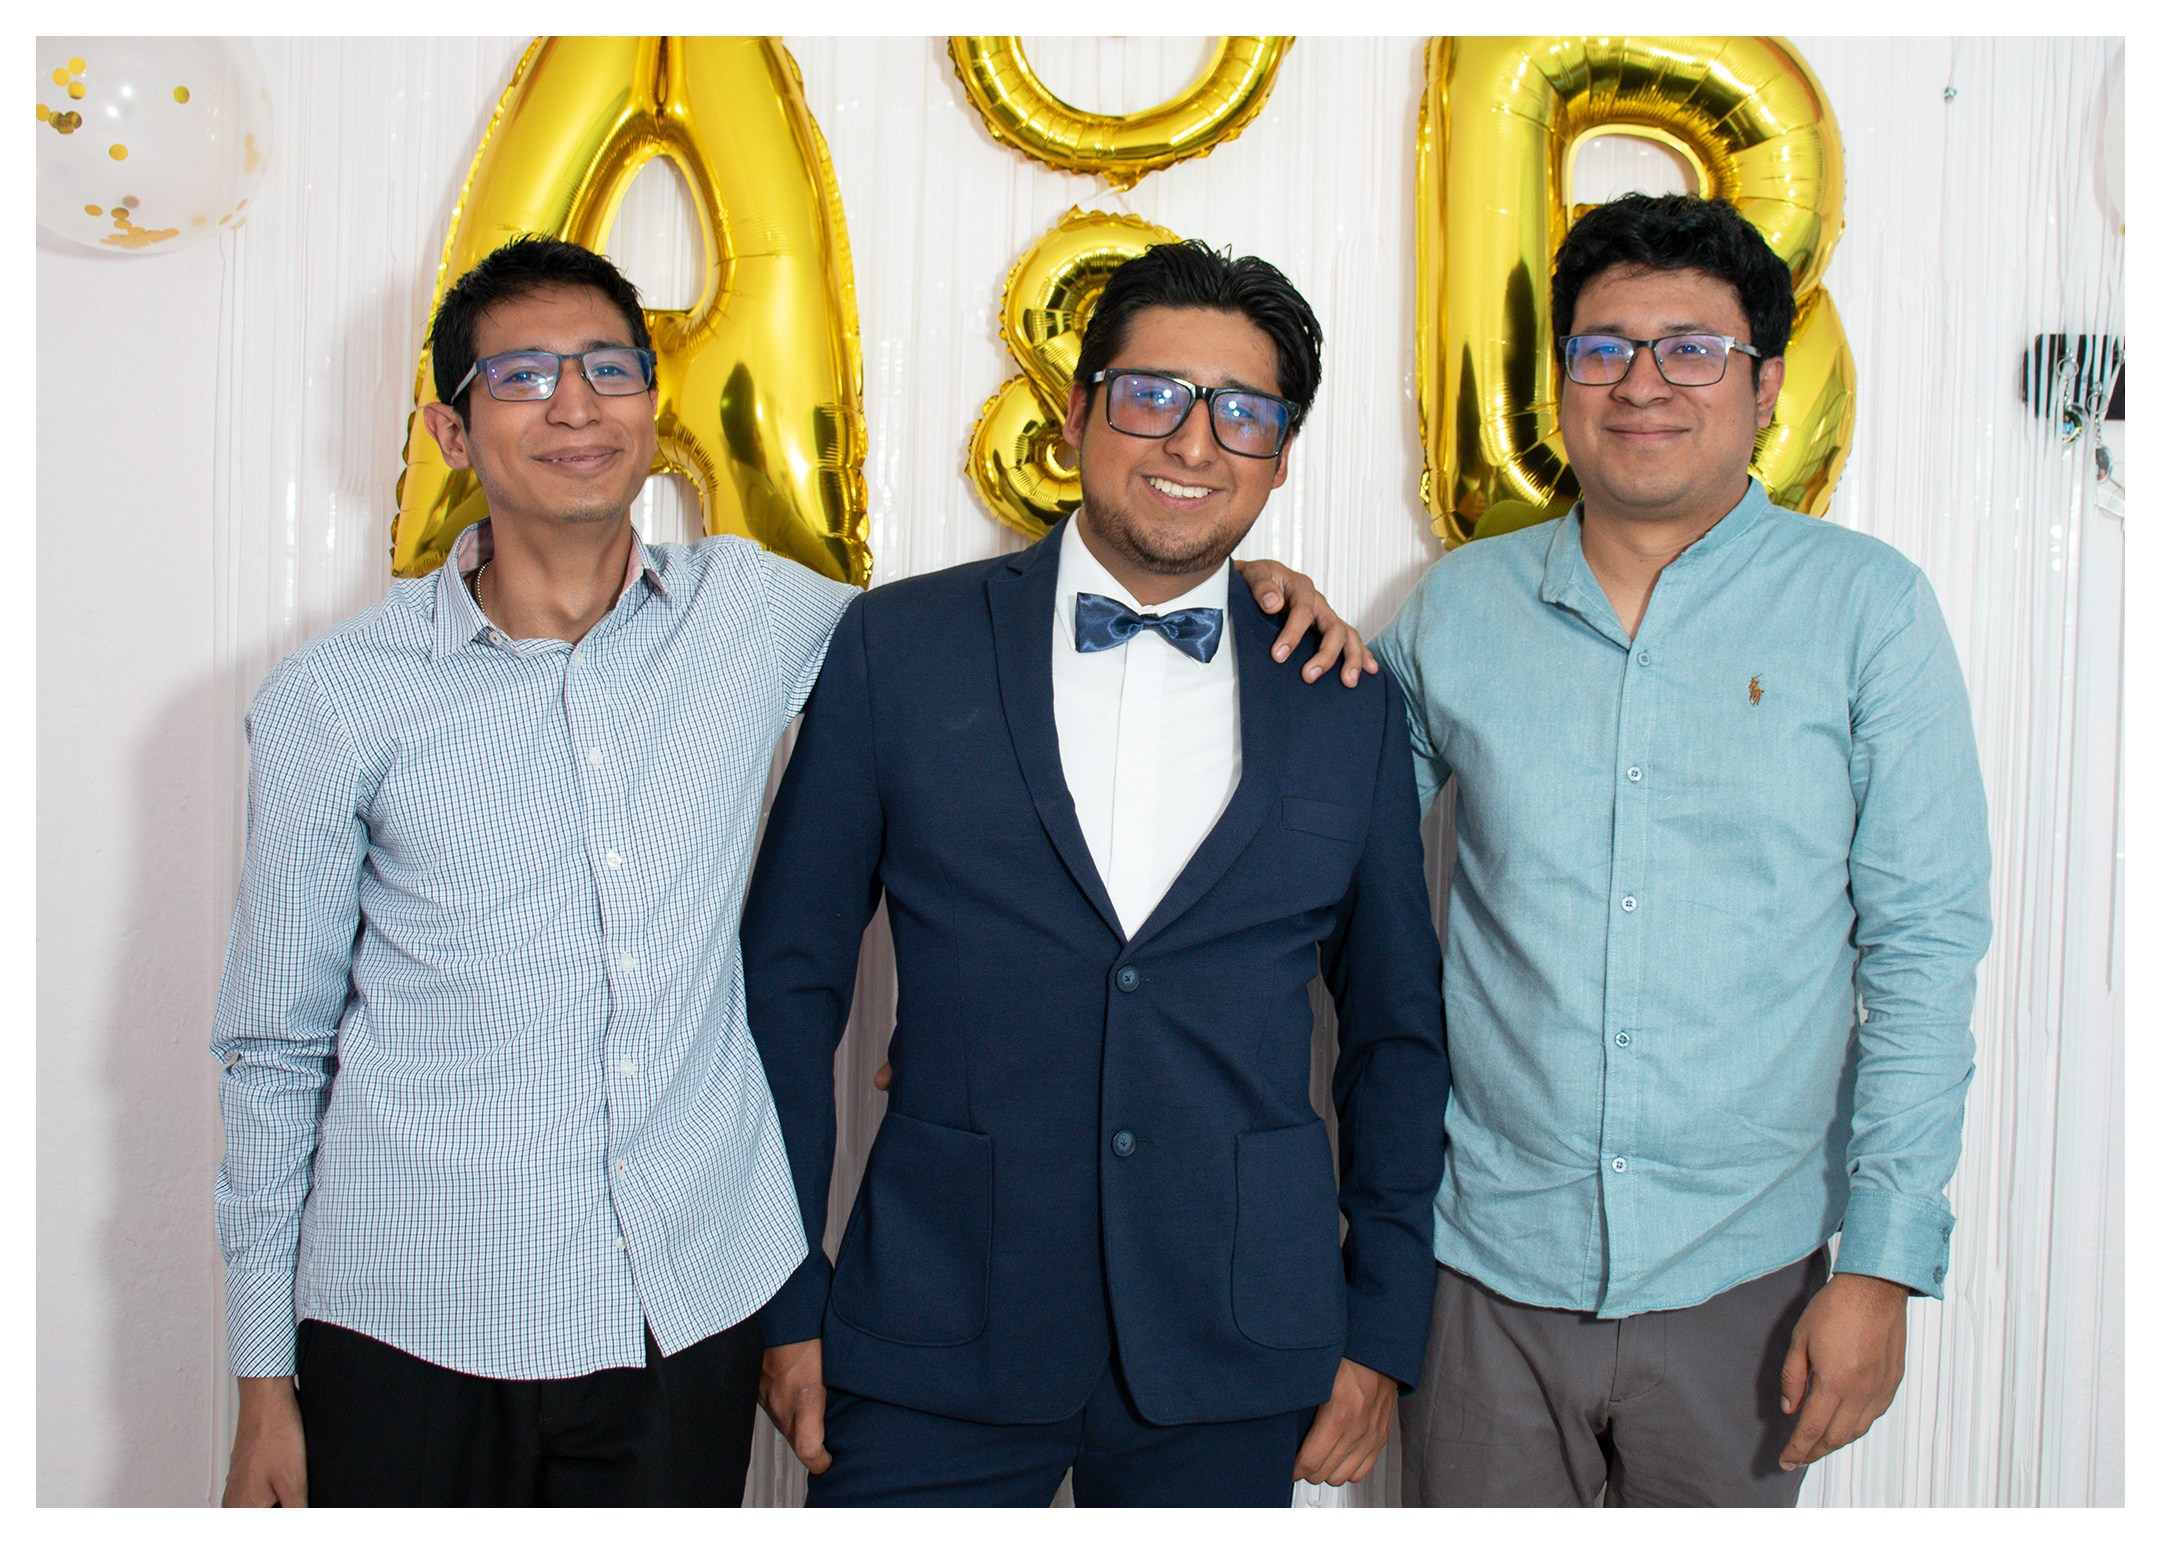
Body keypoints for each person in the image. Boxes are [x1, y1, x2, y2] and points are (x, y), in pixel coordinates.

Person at [210, 234, 1366, 1507]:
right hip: (408, 1316)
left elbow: (1050, 634)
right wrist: (264, 1382)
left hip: (675, 1315)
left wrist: (1240, 596)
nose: (576, 405)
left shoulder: (766, 615)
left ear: (654, 408)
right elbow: (275, 1049)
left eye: (610, 367)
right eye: (526, 375)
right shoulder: (334, 697)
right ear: (448, 427)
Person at [745, 239, 1451, 1508]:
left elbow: (1396, 1033)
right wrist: (782, 1293)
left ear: (1280, 457)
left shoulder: (1342, 696)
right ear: (1077, 415)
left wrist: (1382, 1324)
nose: (1193, 443)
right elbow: (788, 994)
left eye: (1243, 414)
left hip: (1237, 1346)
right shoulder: (897, 648)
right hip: (933, 1327)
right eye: (1151, 395)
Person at [1374, 193, 1992, 1506]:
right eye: (1603, 348)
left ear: (1765, 385)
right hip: (1481, 1262)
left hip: (1748, 1276)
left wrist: (1879, 1264)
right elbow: (1313, 863)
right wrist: (1261, 603)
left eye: (1690, 348)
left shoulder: (1867, 607)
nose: (1642, 382)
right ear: (1562, 384)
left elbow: (1926, 950)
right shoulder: (1459, 607)